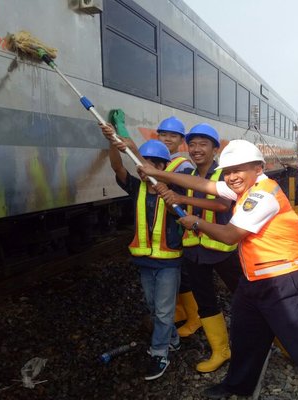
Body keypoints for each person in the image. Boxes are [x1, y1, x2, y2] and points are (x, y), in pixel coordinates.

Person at [140, 140, 298, 399]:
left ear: (258, 168)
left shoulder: (261, 195)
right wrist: (157, 173)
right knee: (245, 337)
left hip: (284, 282)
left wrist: (196, 223)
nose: (231, 177)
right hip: (254, 280)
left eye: (238, 170)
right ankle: (238, 385)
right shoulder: (246, 186)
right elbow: (204, 184)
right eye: (227, 171)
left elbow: (230, 235)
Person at [156, 123, 243, 372]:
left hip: (222, 250)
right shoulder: (190, 176)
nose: (196, 149)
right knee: (205, 302)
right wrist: (167, 195)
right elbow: (181, 208)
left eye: (203, 144)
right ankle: (221, 350)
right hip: (194, 250)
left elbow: (222, 205)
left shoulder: (224, 174)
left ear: (215, 148)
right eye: (192, 144)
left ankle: (278, 339)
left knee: (248, 296)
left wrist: (181, 197)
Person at [101, 124, 183, 381]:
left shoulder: (174, 191)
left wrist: (167, 195)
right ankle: (173, 339)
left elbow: (179, 215)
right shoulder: (136, 187)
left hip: (169, 262)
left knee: (162, 310)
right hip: (144, 261)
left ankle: (159, 353)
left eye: (155, 165)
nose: (148, 168)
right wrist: (112, 144)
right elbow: (117, 168)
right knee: (152, 306)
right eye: (144, 163)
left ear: (163, 168)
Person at [156, 116, 201, 336]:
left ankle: (195, 318)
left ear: (180, 140)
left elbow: (184, 198)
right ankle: (182, 310)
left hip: (178, 224)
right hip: (165, 223)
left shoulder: (182, 165)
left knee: (183, 271)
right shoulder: (161, 160)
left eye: (172, 136)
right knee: (177, 271)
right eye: (163, 134)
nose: (167, 139)